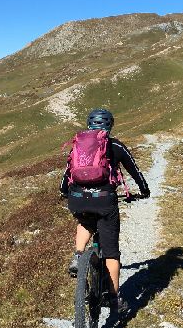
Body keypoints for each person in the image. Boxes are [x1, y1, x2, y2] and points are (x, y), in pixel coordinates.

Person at [60, 108, 150, 313]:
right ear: (110, 125)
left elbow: (67, 173)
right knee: (111, 253)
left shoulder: (79, 145)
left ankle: (78, 256)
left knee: (85, 222)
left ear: (89, 124)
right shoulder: (115, 145)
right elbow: (134, 169)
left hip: (78, 199)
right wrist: (144, 190)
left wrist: (64, 191)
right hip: (104, 201)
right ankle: (113, 298)